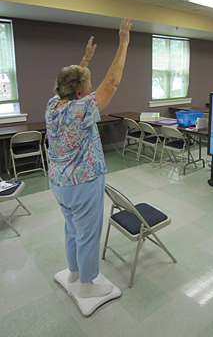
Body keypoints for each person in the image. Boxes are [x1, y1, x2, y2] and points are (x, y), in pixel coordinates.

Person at [45, 18, 131, 299]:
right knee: (88, 233)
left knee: (72, 228)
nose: (93, 88)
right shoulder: (81, 110)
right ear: (81, 94)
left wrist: (85, 60)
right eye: (88, 84)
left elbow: (69, 84)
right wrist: (124, 42)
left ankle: (73, 272)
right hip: (83, 182)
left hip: (59, 184)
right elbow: (113, 81)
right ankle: (86, 286)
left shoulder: (53, 105)